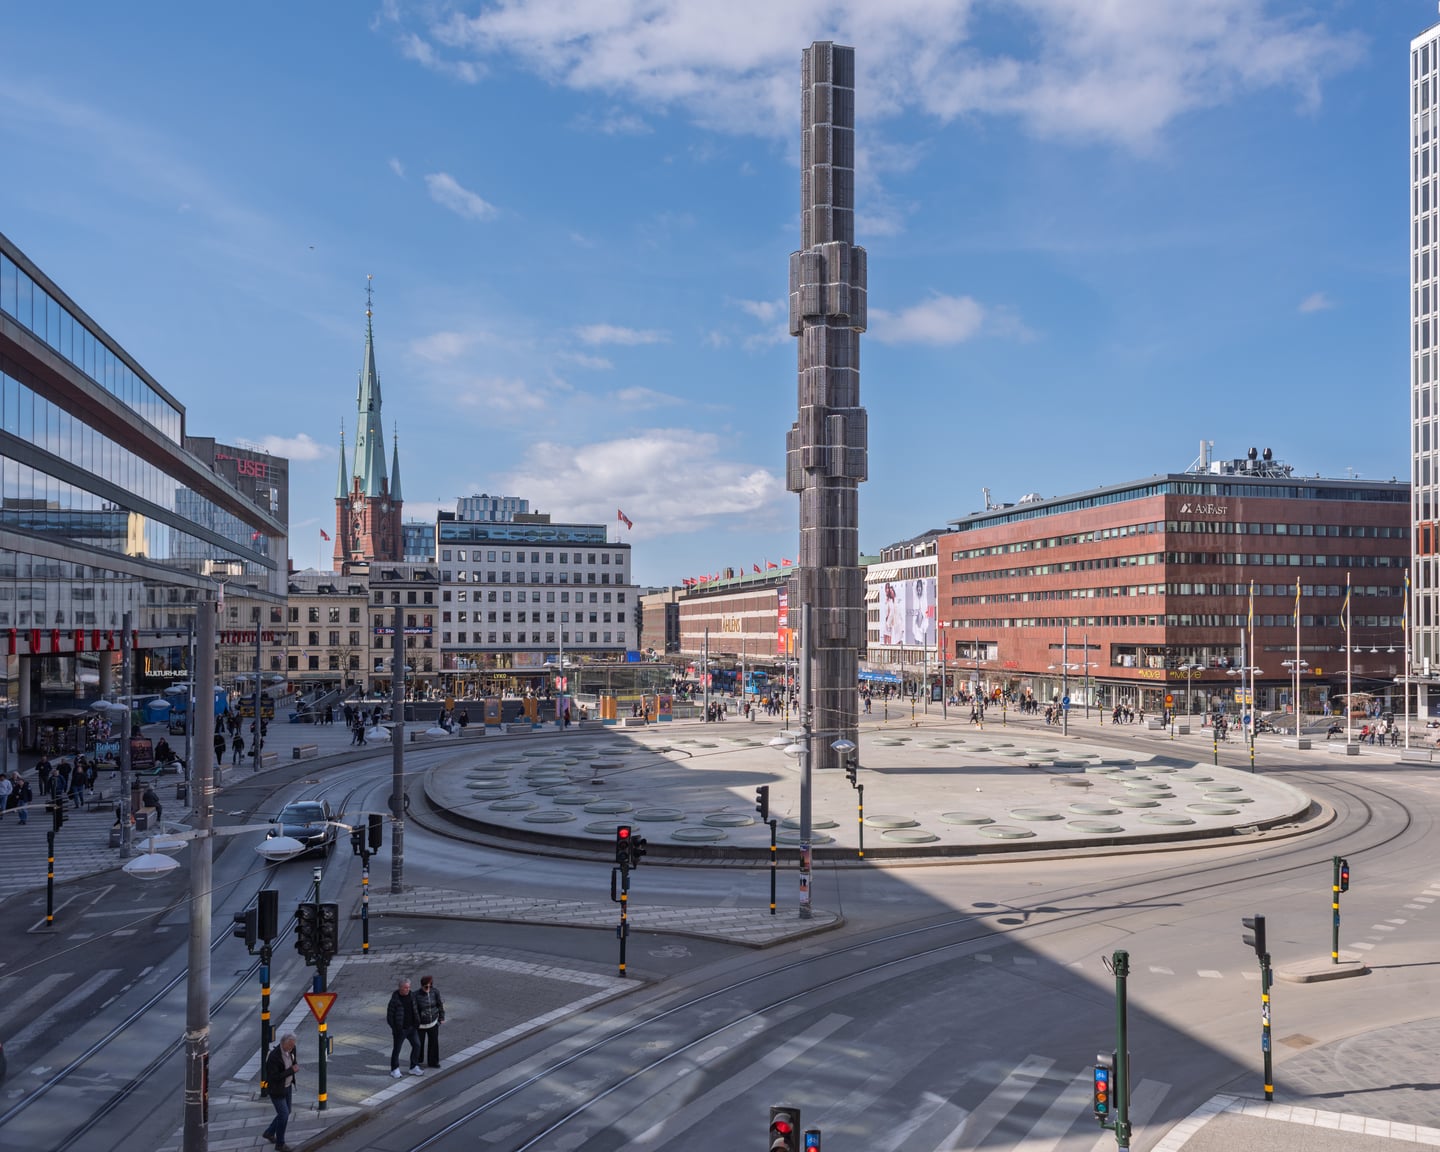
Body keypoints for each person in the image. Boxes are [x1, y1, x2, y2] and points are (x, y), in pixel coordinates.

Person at [261, 1032, 298, 1150]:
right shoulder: (274, 1057)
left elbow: (293, 1061)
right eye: (289, 1046)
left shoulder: (292, 1049)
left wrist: (294, 1066)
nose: (291, 1048)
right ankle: (280, 1143)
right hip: (277, 1089)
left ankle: (269, 1132)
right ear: (283, 1043)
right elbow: (274, 1077)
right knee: (283, 1114)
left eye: (293, 1046)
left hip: (287, 1087)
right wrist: (291, 1070)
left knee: (287, 1112)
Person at [386, 977, 423, 1078]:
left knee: (417, 1045)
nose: (408, 989)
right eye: (406, 988)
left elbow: (416, 1009)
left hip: (412, 1028)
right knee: (397, 1049)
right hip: (400, 1030)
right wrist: (396, 1028)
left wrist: (417, 1022)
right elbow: (389, 1017)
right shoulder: (394, 1001)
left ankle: (413, 1067)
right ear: (400, 988)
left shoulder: (412, 996)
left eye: (409, 987)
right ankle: (394, 1069)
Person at [414, 974, 446, 1069]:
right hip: (421, 1025)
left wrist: (441, 1017)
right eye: (426, 986)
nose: (428, 988)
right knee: (419, 1044)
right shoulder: (416, 995)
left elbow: (439, 1005)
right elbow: (413, 1010)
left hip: (433, 1023)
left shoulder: (435, 992)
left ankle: (433, 1062)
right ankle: (418, 1061)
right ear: (422, 985)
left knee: (434, 1043)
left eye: (430, 986)